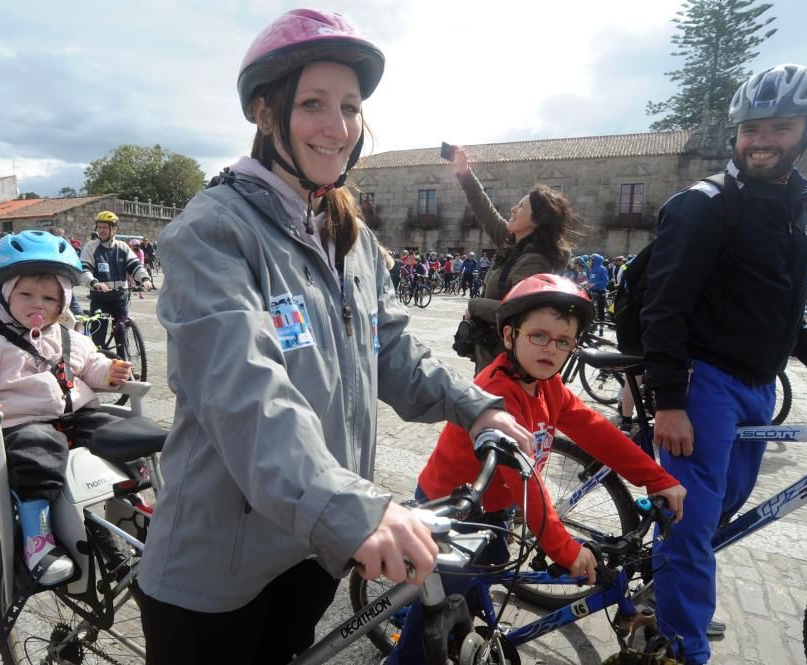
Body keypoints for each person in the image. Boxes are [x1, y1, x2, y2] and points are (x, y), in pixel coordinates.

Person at [135, 10, 534, 664]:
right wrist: (356, 509)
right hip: (218, 567)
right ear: (265, 114)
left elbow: (394, 354)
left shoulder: (350, 238)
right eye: (313, 103)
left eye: (349, 106)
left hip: (311, 546)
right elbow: (246, 393)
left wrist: (477, 405)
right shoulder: (213, 231)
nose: (337, 125)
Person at [640, 64, 807, 665]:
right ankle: (682, 649)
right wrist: (670, 403)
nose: (761, 140)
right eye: (750, 128)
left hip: (759, 386)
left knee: (710, 518)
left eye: (779, 127)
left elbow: (783, 294)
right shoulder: (704, 207)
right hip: (704, 385)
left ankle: (667, 588)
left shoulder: (798, 205)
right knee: (691, 527)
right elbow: (665, 308)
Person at [387, 274, 686, 665]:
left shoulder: (549, 386)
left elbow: (595, 431)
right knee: (432, 629)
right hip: (455, 510)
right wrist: (563, 548)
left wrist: (656, 477)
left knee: (480, 582)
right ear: (510, 335)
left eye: (564, 341)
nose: (551, 349)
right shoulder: (498, 391)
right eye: (539, 336)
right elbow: (526, 480)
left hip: (494, 510)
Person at [0, 230, 133, 586]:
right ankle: (37, 540)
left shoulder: (70, 338)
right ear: (6, 295)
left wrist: (109, 371)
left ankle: (131, 510)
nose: (37, 304)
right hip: (26, 425)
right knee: (37, 455)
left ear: (63, 303)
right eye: (25, 294)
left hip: (79, 415)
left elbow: (91, 366)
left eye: (49, 298)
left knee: (127, 436)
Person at [450, 147, 575, 374]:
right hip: (492, 356)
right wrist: (465, 173)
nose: (513, 209)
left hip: (506, 365)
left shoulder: (534, 261)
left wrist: (473, 305)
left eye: (522, 206)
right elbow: (484, 209)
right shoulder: (513, 242)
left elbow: (518, 310)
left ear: (537, 220)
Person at [79, 211, 153, 348]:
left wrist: (144, 279)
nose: (101, 230)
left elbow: (135, 265)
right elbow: (84, 270)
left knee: (121, 338)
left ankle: (124, 364)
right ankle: (99, 363)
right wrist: (94, 282)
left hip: (120, 298)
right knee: (98, 340)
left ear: (114, 229)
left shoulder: (122, 247)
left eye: (105, 227)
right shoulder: (91, 247)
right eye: (99, 227)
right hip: (100, 299)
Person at [586, 253, 609, 320]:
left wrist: (594, 284)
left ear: (594, 260)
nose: (589, 261)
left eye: (590, 260)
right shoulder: (590, 269)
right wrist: (587, 283)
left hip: (600, 291)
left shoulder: (602, 269)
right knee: (589, 307)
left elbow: (605, 280)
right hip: (591, 291)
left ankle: (601, 325)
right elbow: (588, 278)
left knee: (601, 308)